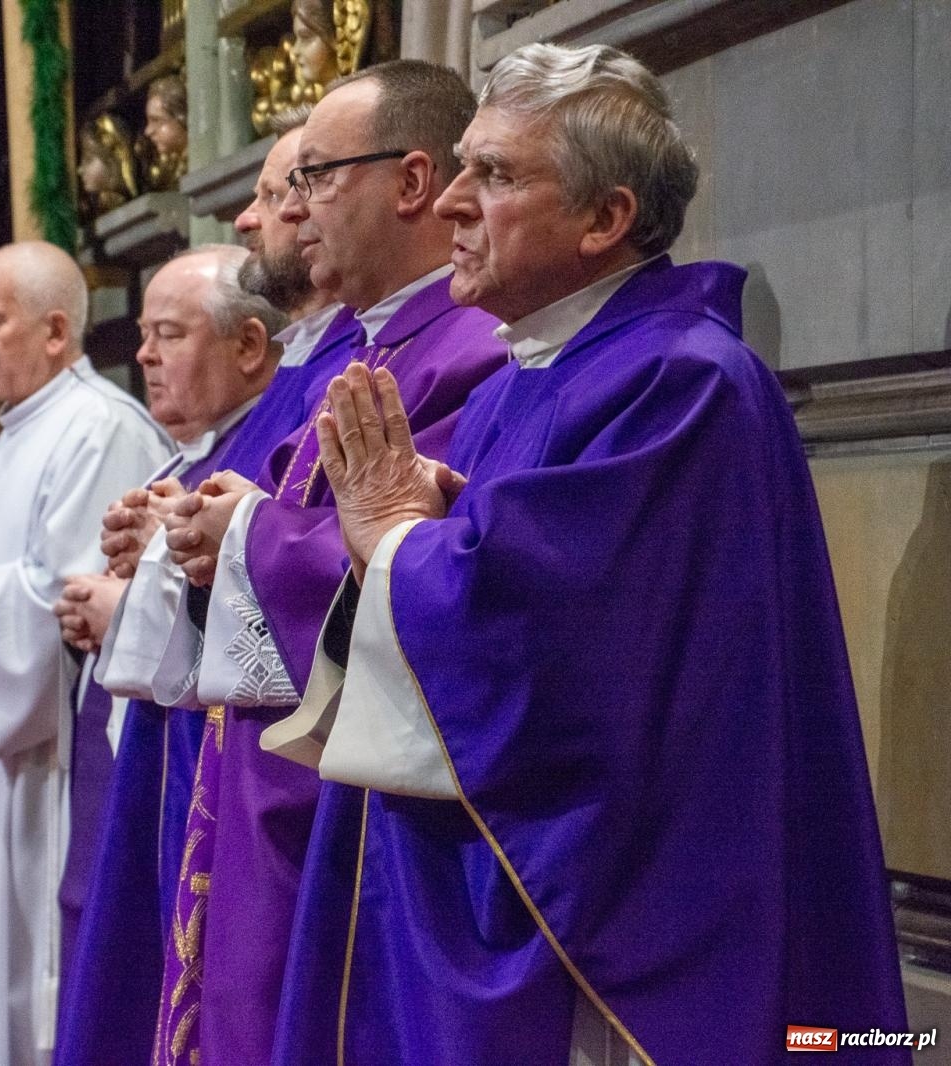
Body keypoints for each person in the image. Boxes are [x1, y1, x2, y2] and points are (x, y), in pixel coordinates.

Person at [272, 42, 909, 1066]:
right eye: (463, 166)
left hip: (632, 914)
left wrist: (396, 538)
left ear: (605, 218)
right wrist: (431, 529)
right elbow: (528, 579)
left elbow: (562, 656)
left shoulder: (679, 382)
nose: (453, 204)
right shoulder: (525, 377)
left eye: (494, 174)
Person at [146, 61, 509, 1065]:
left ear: (411, 181)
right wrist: (209, 526)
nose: (291, 209)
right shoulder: (367, 349)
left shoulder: (468, 350)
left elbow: (424, 563)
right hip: (278, 772)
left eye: (315, 177)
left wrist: (243, 536)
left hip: (348, 797)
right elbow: (298, 510)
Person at [0, 241, 169, 1066]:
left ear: (54, 331)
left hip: (53, 763)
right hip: (1, 754)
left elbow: (76, 597)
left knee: (36, 975)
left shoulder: (99, 428)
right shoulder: (14, 437)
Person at [50, 244, 288, 1066]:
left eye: (169, 334)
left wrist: (130, 597)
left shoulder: (264, 440)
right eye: (145, 334)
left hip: (225, 774)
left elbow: (282, 600)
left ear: (249, 346)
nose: (145, 355)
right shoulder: (191, 454)